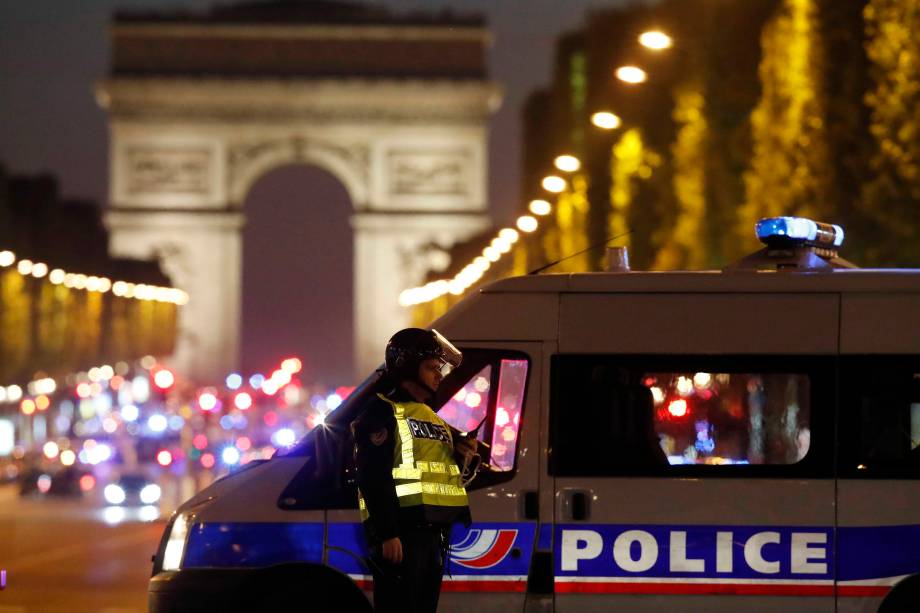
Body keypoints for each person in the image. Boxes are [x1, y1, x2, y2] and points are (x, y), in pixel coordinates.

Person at [352, 328, 477, 613]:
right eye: (432, 367)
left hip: (432, 537)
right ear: (408, 367)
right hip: (401, 536)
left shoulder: (433, 418)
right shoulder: (380, 412)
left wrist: (461, 456)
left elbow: (439, 475)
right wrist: (387, 533)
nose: (439, 375)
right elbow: (373, 476)